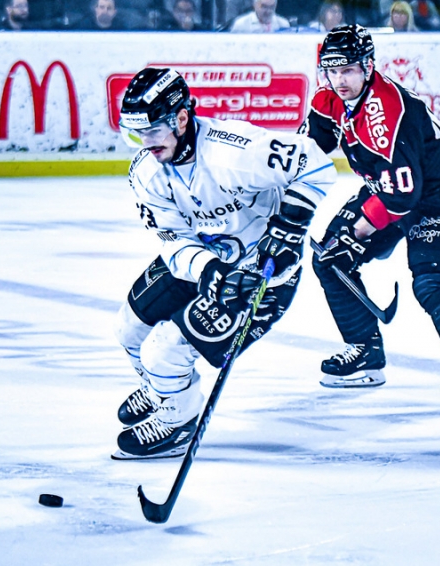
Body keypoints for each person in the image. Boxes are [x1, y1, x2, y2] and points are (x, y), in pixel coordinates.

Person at [111, 68, 337, 459]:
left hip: (262, 273)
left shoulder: (236, 152)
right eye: (137, 134)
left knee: (163, 352)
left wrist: (289, 225)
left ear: (182, 119)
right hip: (207, 257)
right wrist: (206, 269)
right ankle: (164, 389)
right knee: (128, 330)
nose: (145, 144)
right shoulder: (146, 173)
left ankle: (177, 421)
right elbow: (172, 239)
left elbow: (315, 163)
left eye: (152, 132)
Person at [302, 25, 440, 409]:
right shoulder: (328, 97)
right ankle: (364, 351)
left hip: (435, 194)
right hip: (387, 185)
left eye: (348, 70)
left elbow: (404, 197)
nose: (339, 80)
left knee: (432, 281)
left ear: (368, 66)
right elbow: (309, 151)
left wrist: (358, 232)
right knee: (331, 258)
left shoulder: (386, 113)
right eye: (332, 71)